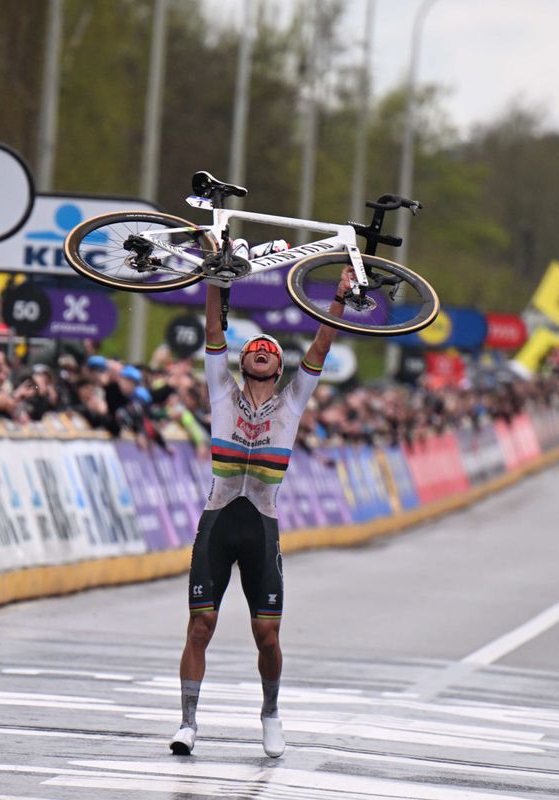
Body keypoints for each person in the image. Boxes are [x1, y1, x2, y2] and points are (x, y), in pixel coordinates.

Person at [170, 265, 351, 758]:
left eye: (271, 351)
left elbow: (319, 349)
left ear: (278, 366)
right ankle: (188, 723)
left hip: (262, 526)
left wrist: (338, 300)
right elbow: (213, 332)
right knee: (200, 626)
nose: (263, 351)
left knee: (265, 633)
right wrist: (213, 280)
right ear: (244, 360)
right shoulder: (221, 392)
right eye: (255, 349)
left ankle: (271, 713)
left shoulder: (294, 401)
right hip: (219, 520)